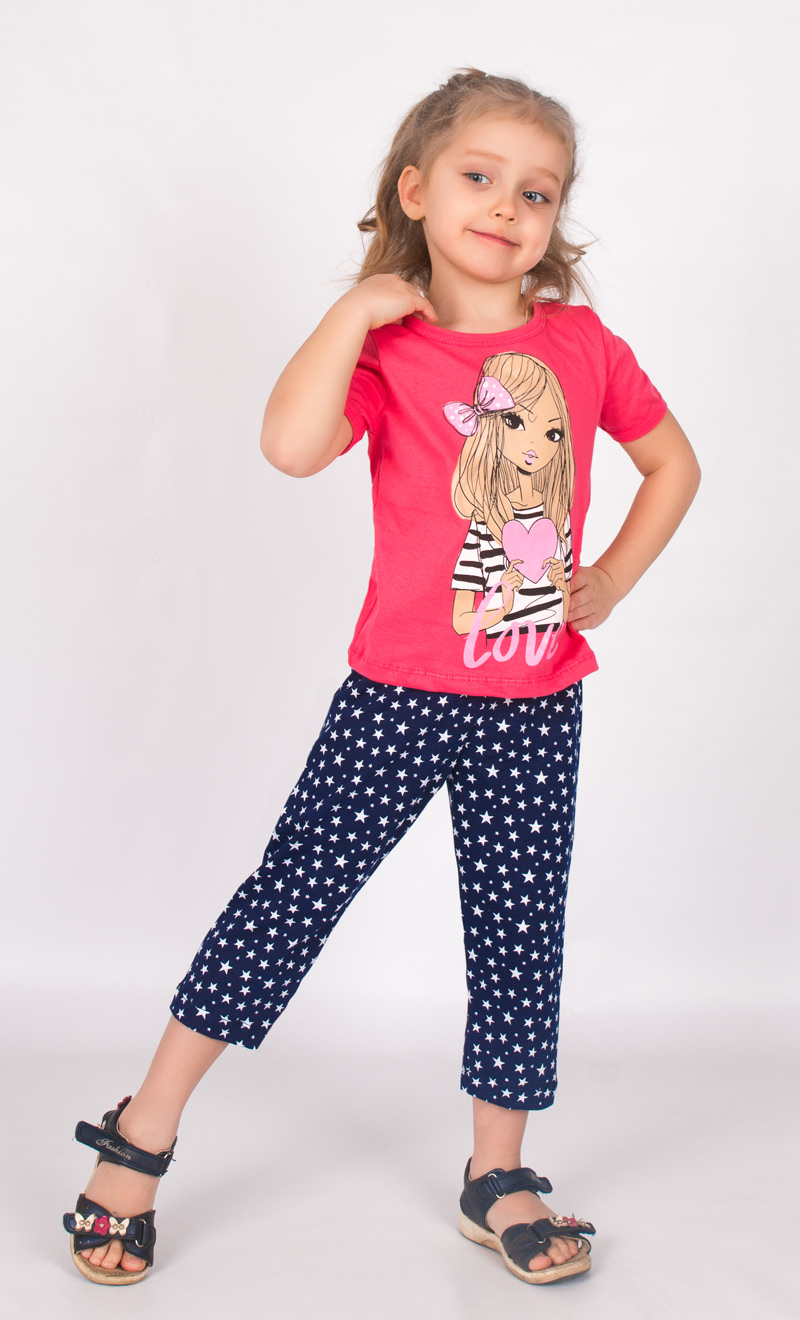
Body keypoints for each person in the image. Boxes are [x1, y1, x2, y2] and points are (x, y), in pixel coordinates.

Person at [63, 68, 701, 1288]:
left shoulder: (578, 344)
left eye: (536, 191)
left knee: (519, 937)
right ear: (414, 190)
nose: (506, 205)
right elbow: (289, 446)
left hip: (534, 704)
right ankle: (141, 1132)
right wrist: (355, 311)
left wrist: (611, 578)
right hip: (397, 697)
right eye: (478, 176)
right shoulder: (389, 349)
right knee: (285, 904)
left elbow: (672, 464)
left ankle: (496, 1176)